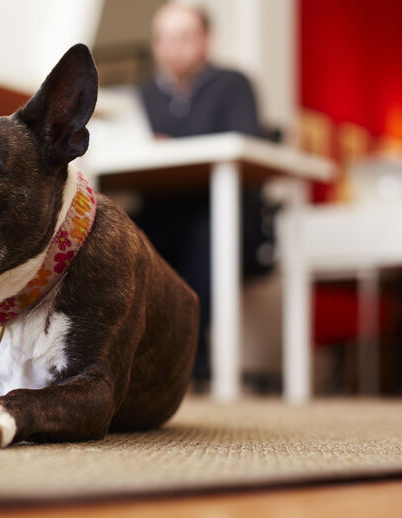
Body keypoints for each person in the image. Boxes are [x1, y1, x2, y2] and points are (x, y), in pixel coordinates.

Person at [134, 2, 271, 388]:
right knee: (118, 232)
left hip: (224, 216)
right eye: (163, 39)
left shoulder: (233, 84)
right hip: (162, 212)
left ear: (205, 40)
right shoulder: (142, 97)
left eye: (183, 37)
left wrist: (171, 146)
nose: (172, 48)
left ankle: (192, 358)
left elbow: (245, 143)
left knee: (206, 232)